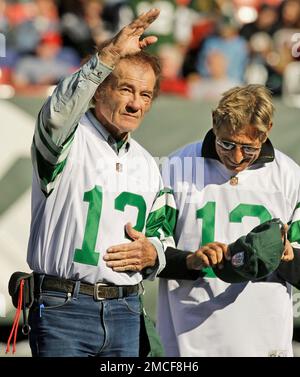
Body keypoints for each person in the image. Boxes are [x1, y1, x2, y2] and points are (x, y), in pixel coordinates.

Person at [26, 8, 174, 357]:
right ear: (98, 91)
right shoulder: (66, 140)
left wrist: (153, 252)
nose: (136, 104)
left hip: (125, 312)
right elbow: (60, 109)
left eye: (146, 95)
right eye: (126, 89)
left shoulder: (147, 164)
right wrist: (108, 55)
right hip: (64, 309)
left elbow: (163, 232)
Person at [154, 84, 300, 357]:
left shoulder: (290, 176)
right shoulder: (175, 166)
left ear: (267, 129)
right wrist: (190, 261)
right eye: (227, 143)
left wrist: (285, 256)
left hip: (265, 338)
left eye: (248, 148)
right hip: (188, 335)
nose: (235, 157)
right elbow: (151, 253)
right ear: (214, 122)